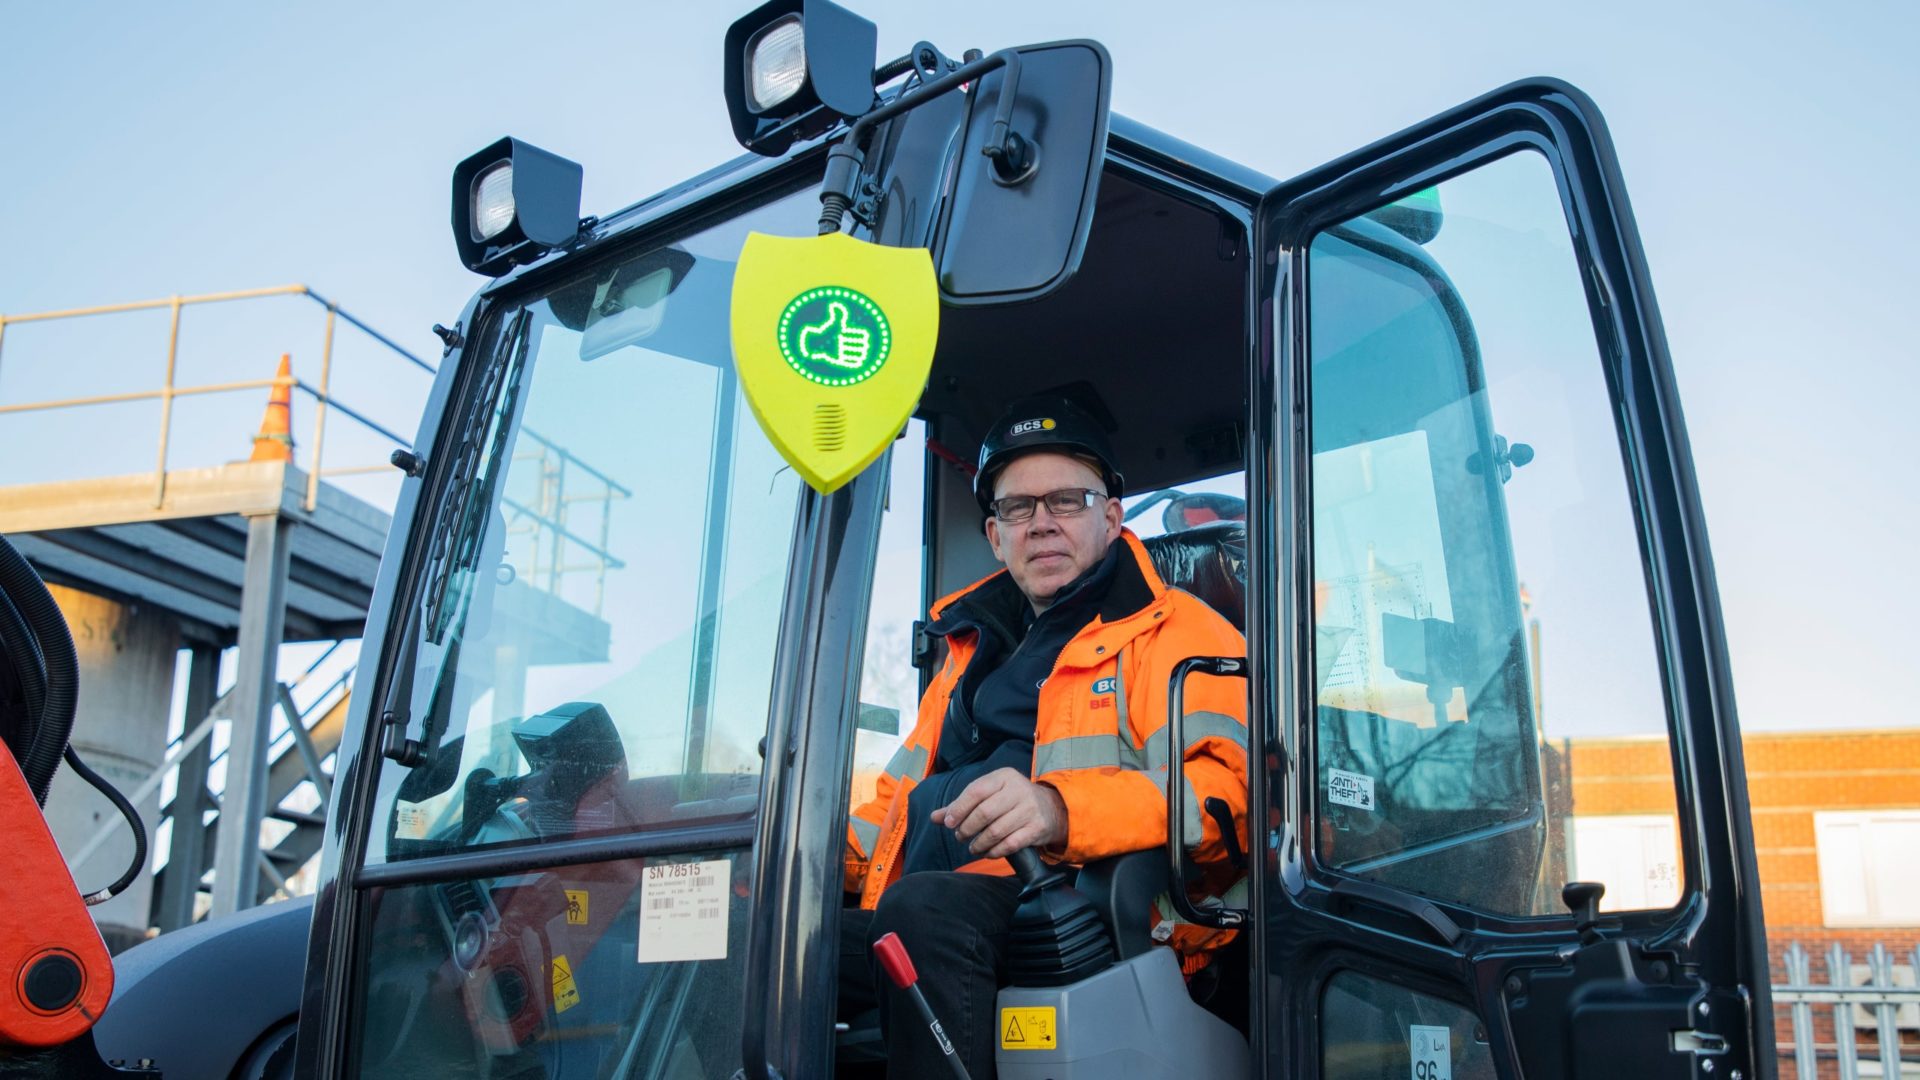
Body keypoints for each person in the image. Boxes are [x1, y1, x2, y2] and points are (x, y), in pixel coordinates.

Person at [839, 395, 1249, 1077]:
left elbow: (1227, 798)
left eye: (1066, 501)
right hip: (933, 900)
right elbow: (895, 804)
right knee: (753, 941)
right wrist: (803, 864)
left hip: (1085, 909)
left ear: (1110, 518)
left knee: (924, 914)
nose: (1042, 524)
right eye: (1018, 508)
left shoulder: (1179, 631)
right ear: (995, 535)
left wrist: (1060, 810)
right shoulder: (968, 649)